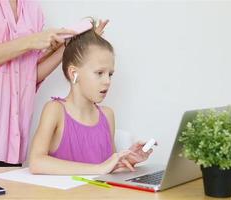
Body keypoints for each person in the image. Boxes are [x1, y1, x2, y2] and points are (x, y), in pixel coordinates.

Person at [0, 0, 108, 167]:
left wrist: (68, 45)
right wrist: (30, 41)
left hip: (10, 143)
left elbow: (29, 77)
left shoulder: (33, 9)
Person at [29, 23, 152, 175]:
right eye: (99, 73)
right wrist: (98, 168)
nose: (107, 81)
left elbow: (106, 169)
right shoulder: (55, 110)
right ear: (74, 73)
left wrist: (126, 159)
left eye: (110, 74)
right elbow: (36, 162)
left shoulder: (108, 115)